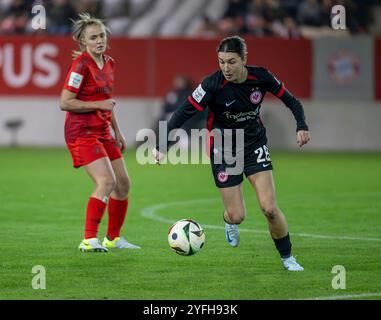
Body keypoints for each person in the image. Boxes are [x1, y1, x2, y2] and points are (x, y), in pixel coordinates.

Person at [153, 35, 310, 271]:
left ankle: (288, 258)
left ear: (244, 59)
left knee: (269, 208)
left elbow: (292, 101)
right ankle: (229, 221)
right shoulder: (212, 84)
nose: (226, 67)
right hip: (224, 148)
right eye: (221, 61)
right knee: (237, 215)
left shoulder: (261, 77)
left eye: (232, 61)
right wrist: (163, 145)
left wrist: (302, 125)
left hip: (254, 144)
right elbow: (183, 111)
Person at [60, 13, 140, 252]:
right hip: (81, 132)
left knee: (123, 184)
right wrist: (98, 106)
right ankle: (88, 240)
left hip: (103, 130)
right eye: (93, 37)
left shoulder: (109, 63)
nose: (99, 40)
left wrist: (118, 131)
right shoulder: (80, 65)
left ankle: (113, 238)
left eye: (102, 35)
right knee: (106, 181)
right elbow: (65, 102)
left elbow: (107, 102)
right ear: (84, 42)